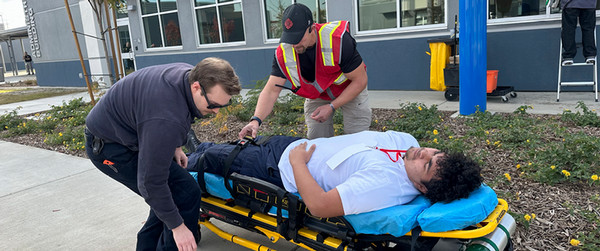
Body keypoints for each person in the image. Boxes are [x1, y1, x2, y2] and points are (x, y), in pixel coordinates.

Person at [85, 58, 241, 250]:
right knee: (173, 197)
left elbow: (182, 112)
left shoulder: (189, 75)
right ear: (196, 87)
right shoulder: (165, 120)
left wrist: (176, 146)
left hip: (137, 134)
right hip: (110, 147)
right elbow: (150, 182)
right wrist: (178, 227)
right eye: (213, 105)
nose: (216, 112)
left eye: (223, 106)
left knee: (186, 192)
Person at [189, 130, 482, 218]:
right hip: (287, 146)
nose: (425, 154)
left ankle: (175, 159)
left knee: (210, 159)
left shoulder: (384, 184)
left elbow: (319, 207)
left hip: (278, 167)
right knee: (216, 149)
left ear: (423, 189)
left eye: (428, 165)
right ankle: (195, 147)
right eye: (435, 152)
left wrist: (298, 162)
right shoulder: (410, 144)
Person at [238, 3, 371, 140]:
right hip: (318, 96)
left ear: (311, 28)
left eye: (298, 37)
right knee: (316, 139)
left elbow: (360, 81)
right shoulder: (283, 53)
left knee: (357, 139)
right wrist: (255, 120)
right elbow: (271, 90)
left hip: (349, 89)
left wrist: (332, 106)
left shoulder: (338, 41)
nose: (294, 44)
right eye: (290, 38)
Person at [561, 0, 597, 65]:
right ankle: (590, 54)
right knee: (588, 29)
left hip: (570, 3)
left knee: (569, 29)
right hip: (589, 4)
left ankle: (568, 55)